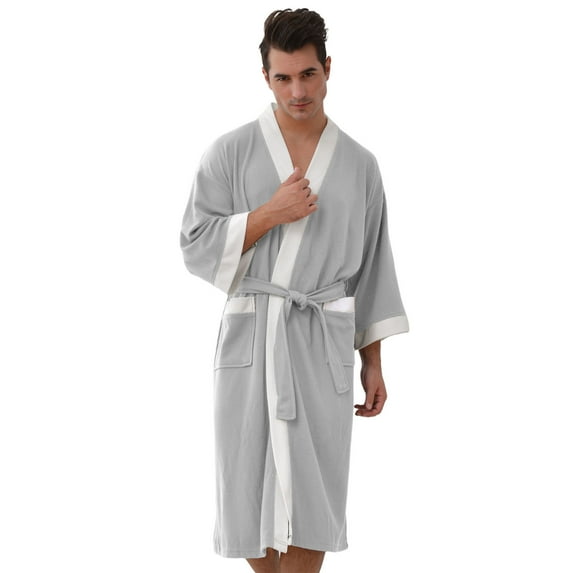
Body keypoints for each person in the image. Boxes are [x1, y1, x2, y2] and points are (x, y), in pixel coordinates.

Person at [180, 8, 408, 573]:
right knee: (246, 493)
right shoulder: (230, 152)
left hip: (320, 344)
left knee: (314, 496)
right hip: (251, 338)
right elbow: (194, 243)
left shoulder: (360, 165)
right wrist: (267, 214)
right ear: (265, 77)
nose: (297, 91)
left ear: (328, 68)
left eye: (307, 74)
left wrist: (373, 362)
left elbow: (372, 268)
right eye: (282, 78)